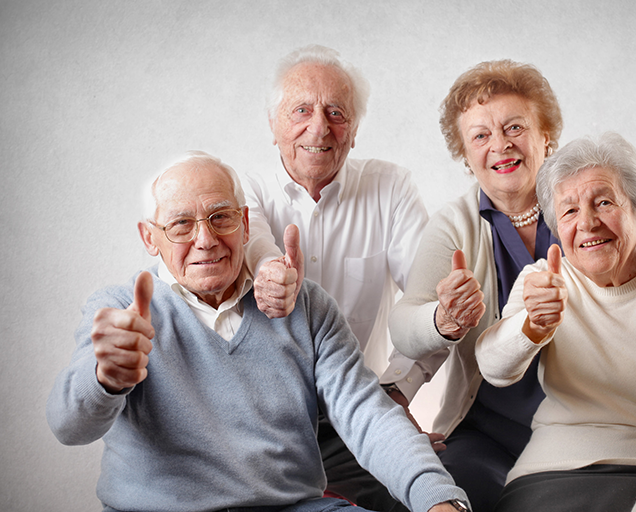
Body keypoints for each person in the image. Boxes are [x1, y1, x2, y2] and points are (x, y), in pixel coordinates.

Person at [389, 60, 636, 512]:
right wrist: (441, 323)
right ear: (465, 154)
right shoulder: (456, 226)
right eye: (480, 135)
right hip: (496, 427)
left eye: (514, 127)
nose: (500, 144)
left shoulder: (580, 194)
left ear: (546, 136)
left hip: (618, 429)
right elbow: (411, 331)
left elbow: (632, 261)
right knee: (457, 488)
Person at [45, 152, 470, 512]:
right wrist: (105, 380)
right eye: (181, 225)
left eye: (220, 217)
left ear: (245, 223)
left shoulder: (307, 306)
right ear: (149, 237)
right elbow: (68, 427)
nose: (205, 239)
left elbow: (369, 416)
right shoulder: (119, 309)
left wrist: (438, 500)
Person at [474, 132, 636, 511]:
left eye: (604, 202)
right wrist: (532, 327)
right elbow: (494, 369)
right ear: (557, 229)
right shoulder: (542, 281)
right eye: (569, 211)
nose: (588, 223)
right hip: (553, 471)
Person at [244, 45, 447, 510]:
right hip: (266, 425)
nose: (319, 127)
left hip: (356, 416)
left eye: (336, 113)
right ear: (273, 124)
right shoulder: (243, 192)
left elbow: (432, 306)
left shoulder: (391, 188)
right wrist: (270, 273)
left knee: (421, 490)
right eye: (301, 110)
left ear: (354, 132)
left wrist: (397, 392)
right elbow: (257, 247)